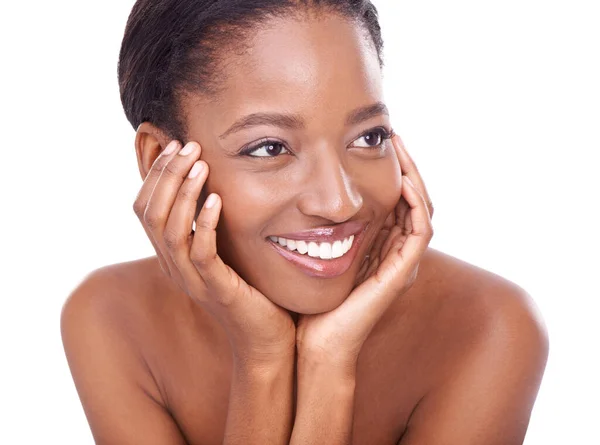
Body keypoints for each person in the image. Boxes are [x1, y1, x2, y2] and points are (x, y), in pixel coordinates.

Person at [60, 1, 549, 444]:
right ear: (160, 161)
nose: (339, 202)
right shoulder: (110, 318)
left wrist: (329, 365)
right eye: (270, 148)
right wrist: (263, 359)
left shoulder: (488, 327)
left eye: (369, 136)